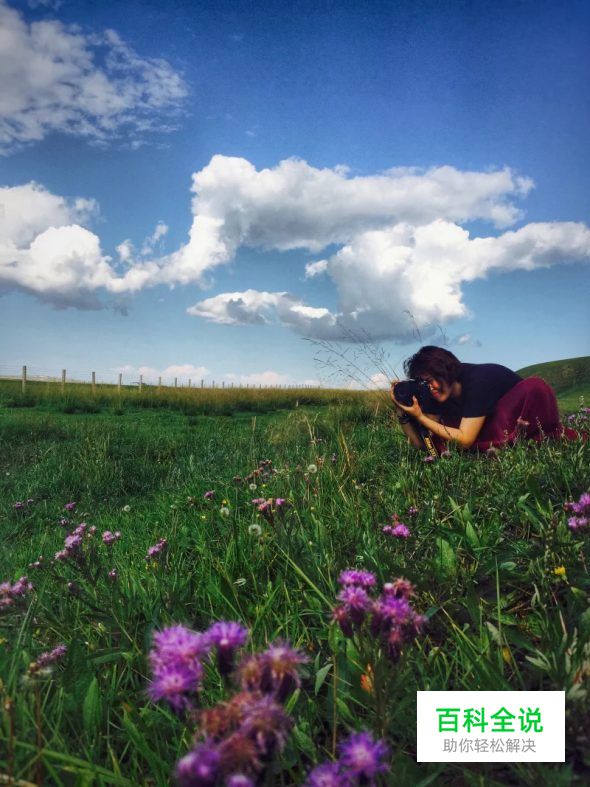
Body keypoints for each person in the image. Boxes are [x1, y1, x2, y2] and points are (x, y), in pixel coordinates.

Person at [390, 346, 577, 452]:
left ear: (444, 371)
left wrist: (421, 418)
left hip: (518, 419)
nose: (429, 388)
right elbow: (425, 446)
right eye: (423, 383)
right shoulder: (436, 393)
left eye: (429, 380)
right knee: (442, 438)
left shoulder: (479, 379)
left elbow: (464, 440)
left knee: (534, 385)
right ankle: (495, 445)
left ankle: (503, 443)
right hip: (487, 431)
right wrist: (403, 413)